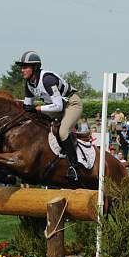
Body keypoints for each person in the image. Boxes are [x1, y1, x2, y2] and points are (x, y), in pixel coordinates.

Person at [17, 51, 82, 181]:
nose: (22, 70)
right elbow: (27, 107)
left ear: (34, 68)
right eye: (22, 67)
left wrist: (37, 108)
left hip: (71, 104)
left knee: (63, 132)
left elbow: (58, 106)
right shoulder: (29, 84)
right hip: (55, 106)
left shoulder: (47, 79)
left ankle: (75, 167)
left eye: (25, 67)